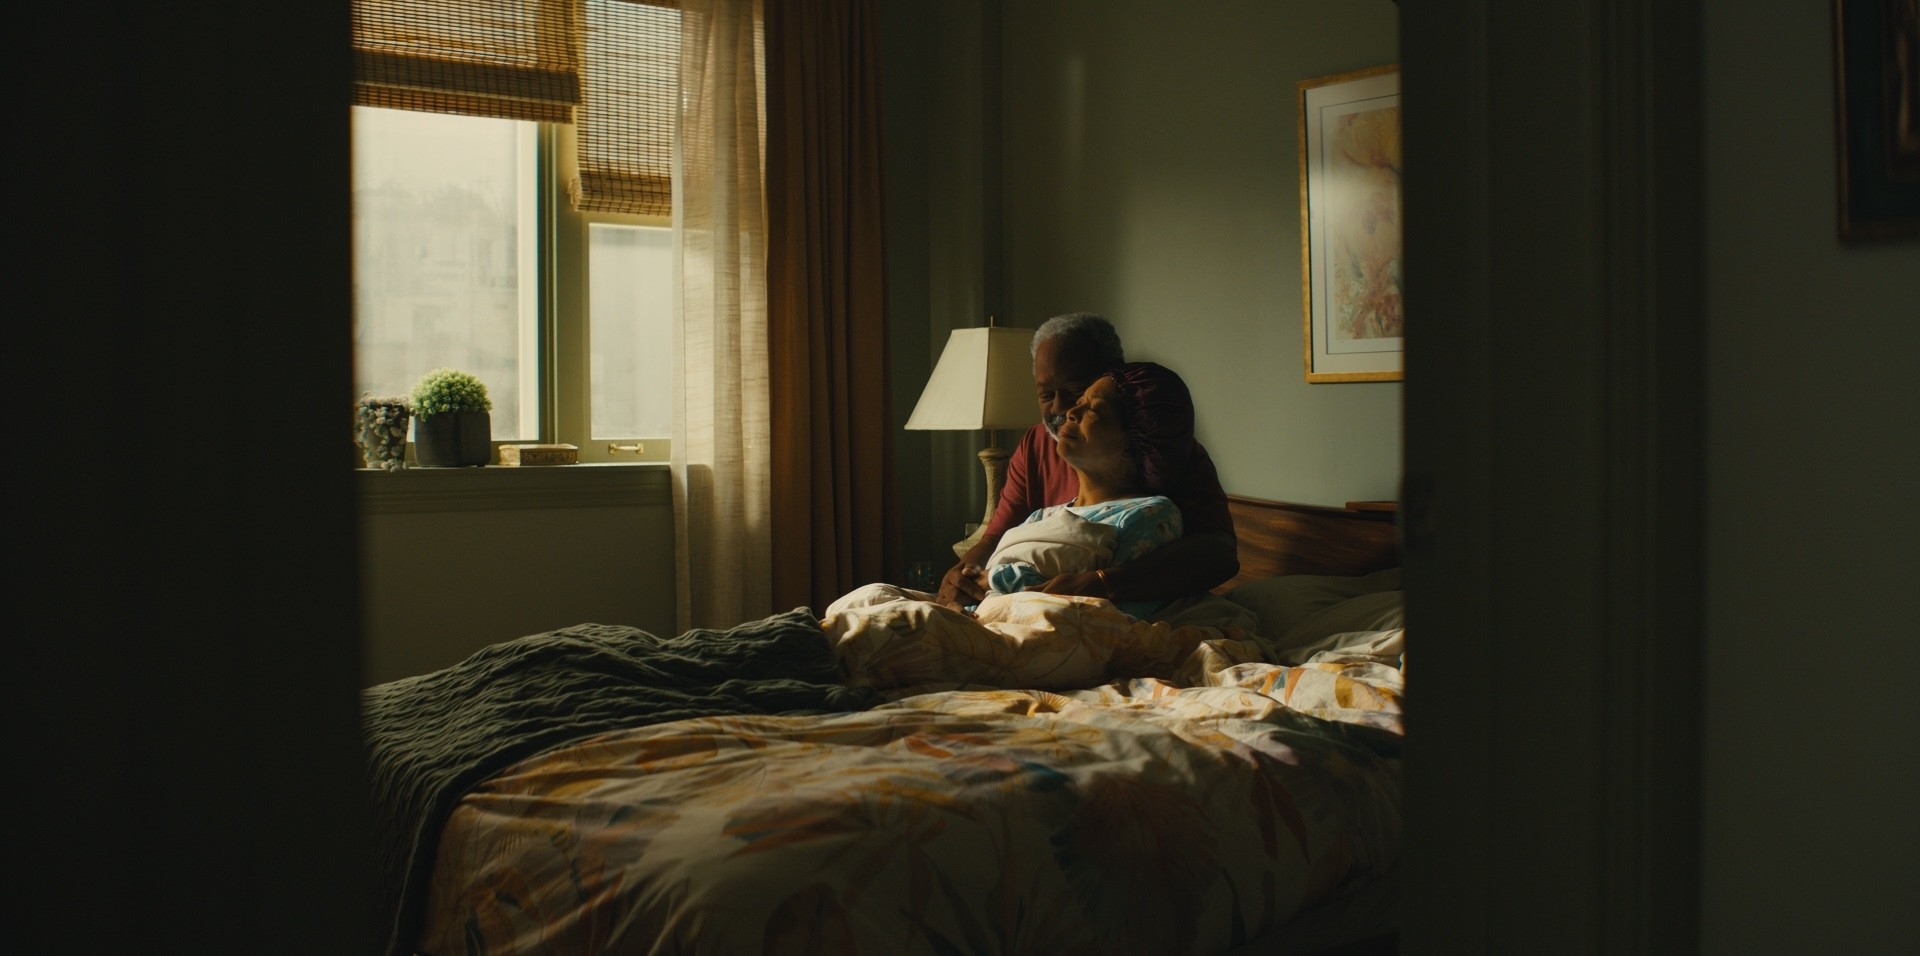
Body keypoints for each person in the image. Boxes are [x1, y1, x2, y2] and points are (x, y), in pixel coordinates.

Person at [935, 312, 1238, 612]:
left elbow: (1219, 554)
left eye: (1076, 392)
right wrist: (961, 576)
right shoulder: (1036, 445)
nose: (1061, 408)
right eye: (1046, 394)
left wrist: (1102, 584)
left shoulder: (1164, 453)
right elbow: (998, 538)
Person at [978, 362, 1190, 619]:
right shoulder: (1041, 517)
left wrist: (995, 578)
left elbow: (1113, 616)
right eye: (1080, 402)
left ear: (1135, 439)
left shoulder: (1151, 515)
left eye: (1095, 410)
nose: (1071, 412)